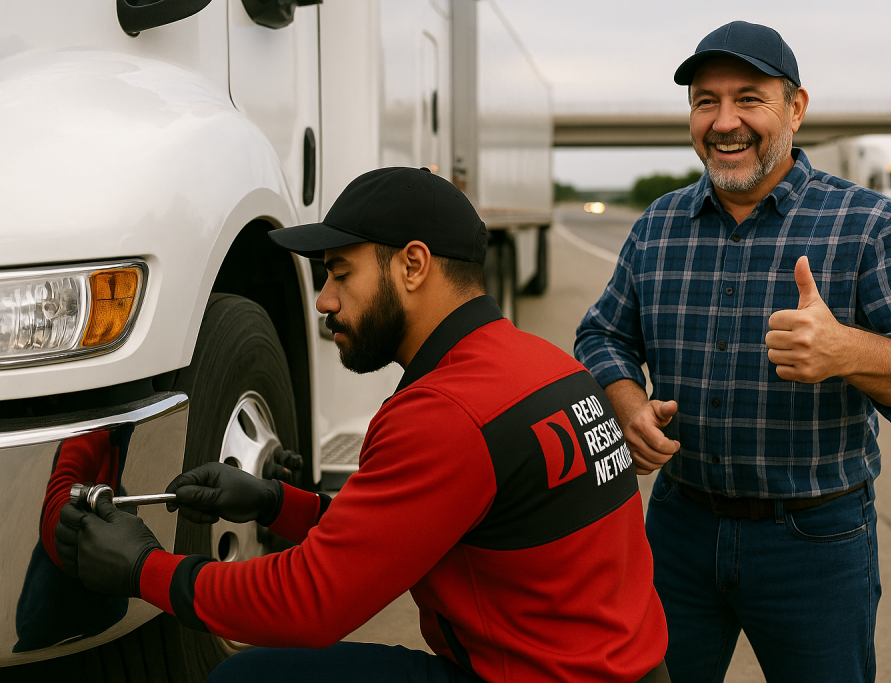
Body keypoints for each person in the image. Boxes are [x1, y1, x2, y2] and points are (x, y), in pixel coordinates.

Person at [55, 167, 669, 683]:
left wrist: (142, 568)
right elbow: (407, 530)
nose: (323, 298)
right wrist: (273, 502)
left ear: (413, 265)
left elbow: (311, 603)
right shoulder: (544, 366)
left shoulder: (445, 413)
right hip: (624, 667)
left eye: (339, 272)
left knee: (250, 678)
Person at [574, 21, 891, 683]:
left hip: (815, 539)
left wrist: (846, 348)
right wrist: (628, 402)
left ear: (796, 108)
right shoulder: (659, 224)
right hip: (678, 529)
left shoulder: (868, 223)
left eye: (749, 98)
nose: (725, 121)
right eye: (705, 101)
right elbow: (601, 334)